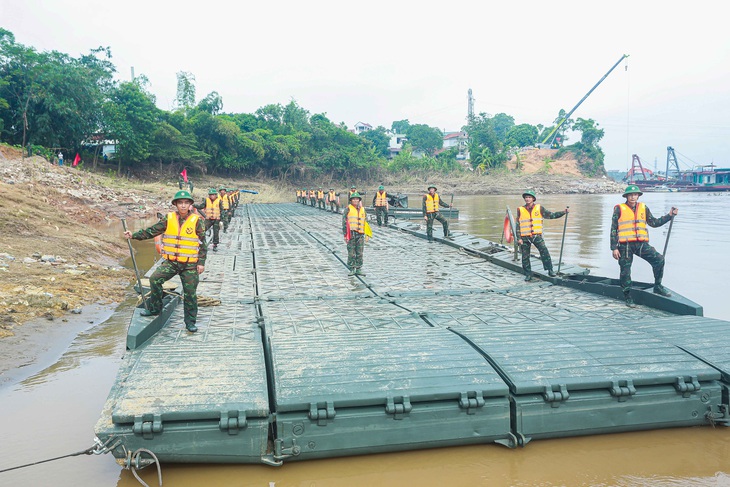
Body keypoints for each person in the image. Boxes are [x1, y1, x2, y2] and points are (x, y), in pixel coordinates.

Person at [123, 190, 206, 333]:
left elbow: (202, 243)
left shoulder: (197, 221)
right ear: (176, 204)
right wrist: (133, 235)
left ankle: (190, 322)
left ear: (191, 205)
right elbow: (152, 231)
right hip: (172, 263)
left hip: (189, 264)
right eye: (180, 203)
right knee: (155, 279)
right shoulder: (168, 218)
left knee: (190, 293)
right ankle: (155, 309)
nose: (183, 206)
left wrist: (201, 263)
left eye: (186, 203)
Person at [610, 184, 678, 307]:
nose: (632, 197)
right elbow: (613, 229)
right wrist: (614, 248)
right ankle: (628, 296)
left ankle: (657, 286)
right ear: (626, 196)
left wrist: (669, 216)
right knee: (625, 271)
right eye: (630, 195)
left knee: (659, 259)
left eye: (635, 194)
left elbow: (654, 222)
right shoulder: (619, 209)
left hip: (640, 244)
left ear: (638, 196)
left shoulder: (643, 208)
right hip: (625, 246)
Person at [515, 190, 568, 281]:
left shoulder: (540, 208)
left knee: (544, 251)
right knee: (525, 256)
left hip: (536, 236)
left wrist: (563, 212)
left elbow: (552, 215)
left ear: (533, 199)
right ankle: (528, 274)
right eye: (526, 197)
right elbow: (518, 225)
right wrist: (519, 238)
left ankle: (550, 270)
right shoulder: (520, 209)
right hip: (524, 237)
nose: (527, 199)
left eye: (529, 197)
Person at [342, 192, 367, 276]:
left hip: (360, 234)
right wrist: (345, 235)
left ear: (359, 200)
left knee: (360, 252)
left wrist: (367, 234)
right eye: (354, 199)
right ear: (351, 200)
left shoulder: (363, 209)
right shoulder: (347, 209)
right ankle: (352, 268)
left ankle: (358, 268)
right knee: (351, 252)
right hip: (351, 233)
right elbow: (344, 222)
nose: (355, 200)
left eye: (357, 199)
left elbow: (366, 222)